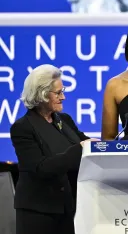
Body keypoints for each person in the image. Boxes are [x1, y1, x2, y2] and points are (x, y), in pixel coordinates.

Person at [10, 64, 99, 234]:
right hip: (38, 212)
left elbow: (91, 145)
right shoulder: (23, 128)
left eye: (62, 91)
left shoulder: (64, 120)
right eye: (58, 93)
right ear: (41, 95)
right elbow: (41, 168)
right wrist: (78, 150)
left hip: (68, 208)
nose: (63, 97)